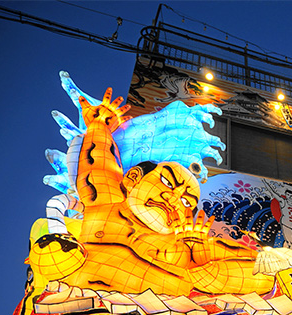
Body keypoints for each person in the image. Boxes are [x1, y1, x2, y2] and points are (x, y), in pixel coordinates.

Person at [35, 88, 273, 296]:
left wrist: (199, 256)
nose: (173, 199)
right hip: (82, 306)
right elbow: (97, 160)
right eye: (168, 184)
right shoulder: (106, 203)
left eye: (186, 202)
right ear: (133, 178)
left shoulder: (179, 244)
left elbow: (258, 271)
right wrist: (99, 124)